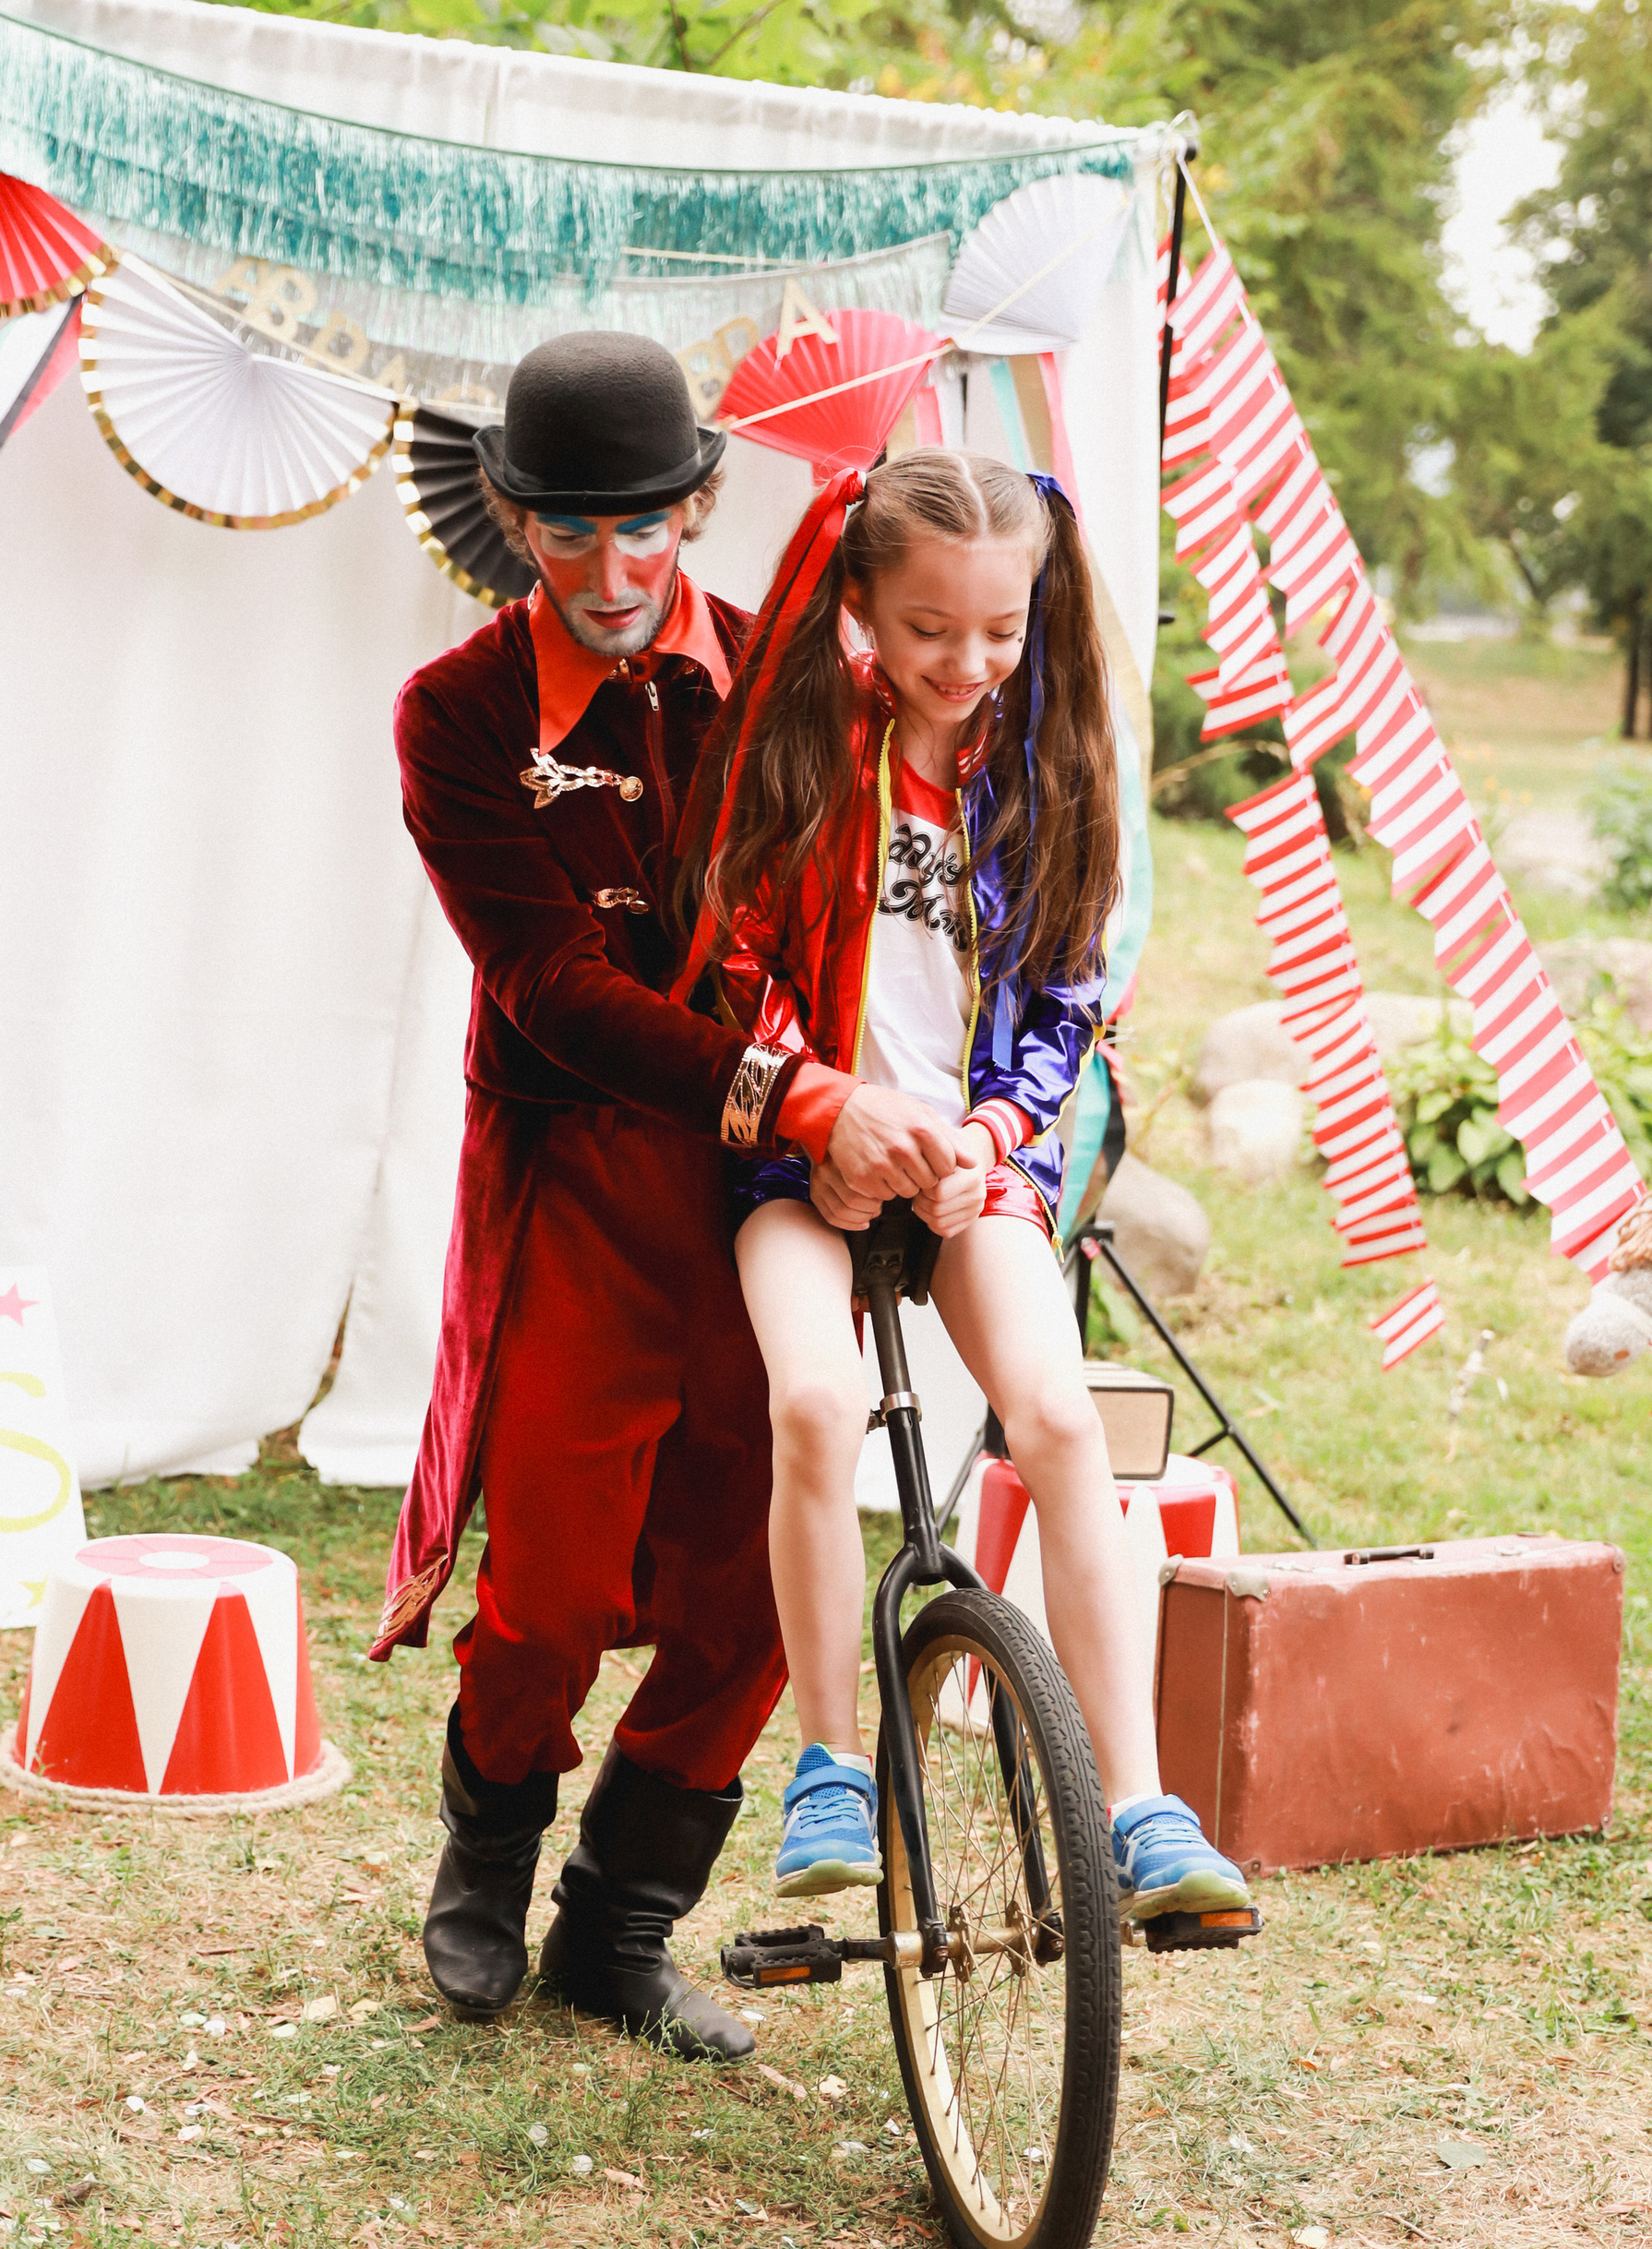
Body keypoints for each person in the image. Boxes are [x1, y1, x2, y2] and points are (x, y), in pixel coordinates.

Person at [375, 332, 964, 2061]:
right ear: (511, 516)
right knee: (547, 1583)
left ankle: (621, 1932)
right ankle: (484, 1863)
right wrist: (792, 1083)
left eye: (646, 526)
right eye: (568, 531)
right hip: (585, 1173)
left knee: (748, 1590)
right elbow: (548, 986)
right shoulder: (458, 716)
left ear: (702, 500)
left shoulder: (814, 690)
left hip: (789, 1192)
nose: (615, 572)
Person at [678, 449, 1251, 1920]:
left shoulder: (1050, 764)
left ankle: (1136, 1802)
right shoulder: (807, 742)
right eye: (931, 629)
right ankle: (828, 1762)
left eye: (1000, 631)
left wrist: (995, 1140)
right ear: (862, 597)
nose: (968, 661)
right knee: (811, 1402)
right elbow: (733, 959)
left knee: (1062, 1423)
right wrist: (829, 1118)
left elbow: (1065, 999)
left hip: (974, 1166)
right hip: (802, 1163)